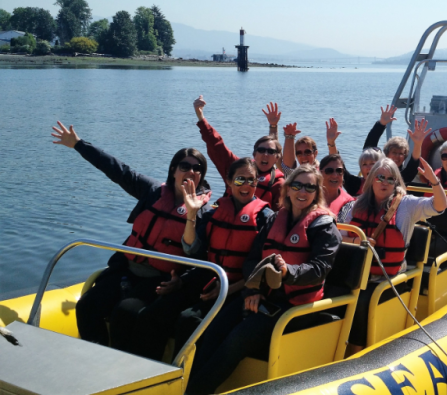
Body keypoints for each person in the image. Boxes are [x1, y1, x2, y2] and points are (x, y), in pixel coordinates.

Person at [51, 121, 212, 353]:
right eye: (185, 166)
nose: (191, 172)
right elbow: (118, 170)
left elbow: (200, 256)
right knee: (87, 305)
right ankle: (95, 355)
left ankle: (122, 367)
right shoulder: (153, 192)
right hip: (127, 270)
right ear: (173, 170)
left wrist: (182, 282)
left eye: (197, 169)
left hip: (161, 280)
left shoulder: (205, 213)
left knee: (124, 312)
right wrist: (78, 144)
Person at [186, 165, 341, 395]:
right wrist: (253, 290)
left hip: (295, 307)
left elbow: (320, 268)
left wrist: (287, 272)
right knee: (214, 328)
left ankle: (197, 394)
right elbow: (252, 260)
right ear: (288, 189)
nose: (302, 191)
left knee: (240, 337)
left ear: (317, 192)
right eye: (297, 185)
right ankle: (186, 389)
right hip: (263, 296)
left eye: (310, 187)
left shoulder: (325, 228)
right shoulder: (275, 220)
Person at [164, 157, 275, 359]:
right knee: (163, 310)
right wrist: (191, 214)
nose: (246, 186)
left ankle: (189, 373)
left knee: (191, 319)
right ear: (229, 181)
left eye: (251, 180)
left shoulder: (266, 218)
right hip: (211, 284)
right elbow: (192, 249)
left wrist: (226, 290)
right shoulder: (214, 213)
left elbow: (264, 269)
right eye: (240, 180)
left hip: (242, 290)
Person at [341, 157, 446, 354]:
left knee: (362, 301)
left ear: (396, 183)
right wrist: (357, 241)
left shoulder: (407, 205)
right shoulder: (357, 205)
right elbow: (339, 237)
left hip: (387, 279)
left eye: (390, 179)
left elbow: (440, 206)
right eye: (380, 177)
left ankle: (356, 353)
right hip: (357, 275)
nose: (385, 183)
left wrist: (434, 181)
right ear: (371, 179)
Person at [193, 96, 284, 208]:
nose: (265, 154)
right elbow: (216, 145)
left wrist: (274, 127)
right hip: (225, 216)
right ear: (254, 154)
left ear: (276, 158)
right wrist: (201, 117)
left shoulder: (278, 184)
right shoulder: (236, 167)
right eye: (261, 150)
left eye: (270, 152)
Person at [327, 114, 431, 195]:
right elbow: (337, 164)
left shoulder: (392, 182)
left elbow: (412, 168)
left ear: (380, 166)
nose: (368, 167)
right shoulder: (355, 185)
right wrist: (331, 143)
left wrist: (418, 144)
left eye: (372, 164)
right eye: (364, 164)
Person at [319, 154, 355, 220]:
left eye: (339, 171)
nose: (335, 175)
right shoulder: (309, 196)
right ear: (320, 173)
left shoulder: (349, 205)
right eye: (329, 171)